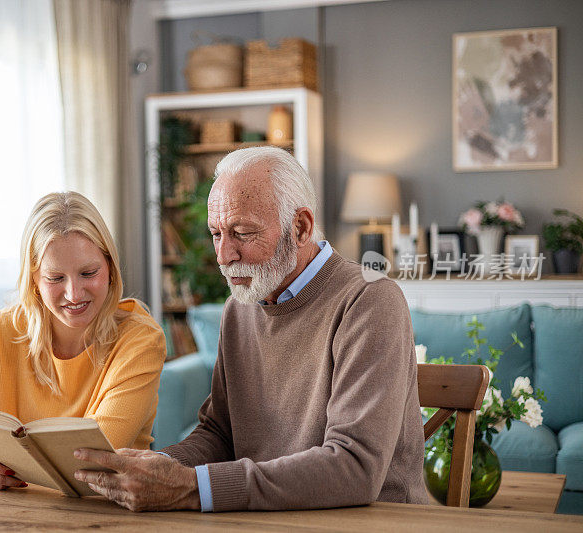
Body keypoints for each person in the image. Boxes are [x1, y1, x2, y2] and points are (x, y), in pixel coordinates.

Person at [74, 146, 428, 511]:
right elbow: (219, 433)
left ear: (301, 227)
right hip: (264, 517)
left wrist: (194, 488)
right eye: (216, 233)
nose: (224, 255)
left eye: (242, 233)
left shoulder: (370, 301)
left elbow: (354, 468)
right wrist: (160, 468)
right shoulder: (239, 308)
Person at [0, 191, 166, 490]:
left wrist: (8, 459)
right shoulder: (4, 330)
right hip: (16, 514)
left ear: (110, 268)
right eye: (55, 278)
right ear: (33, 279)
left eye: (88, 272)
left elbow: (92, 461)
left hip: (109, 511)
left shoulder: (141, 339)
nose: (74, 294)